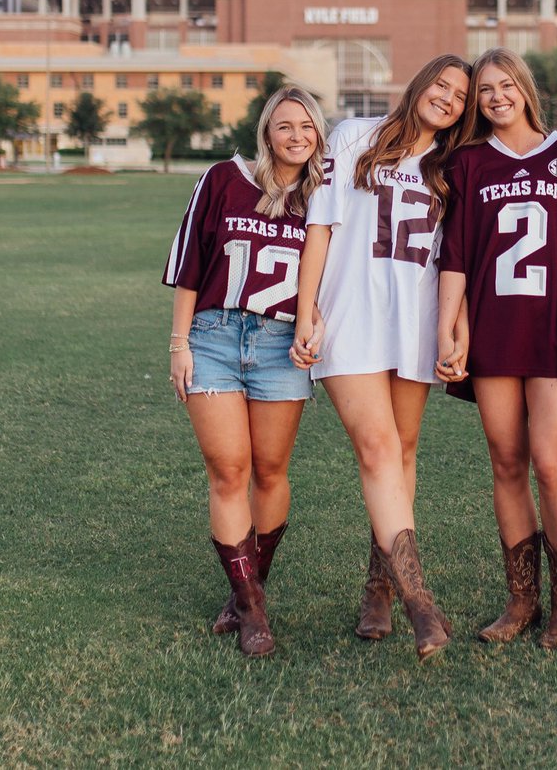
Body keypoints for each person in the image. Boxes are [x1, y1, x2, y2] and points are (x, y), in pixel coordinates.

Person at [291, 55, 472, 661]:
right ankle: (422, 602)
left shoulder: (451, 167)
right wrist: (306, 307)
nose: (447, 97)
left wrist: (455, 329)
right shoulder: (355, 136)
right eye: (440, 84)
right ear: (419, 84)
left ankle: (379, 588)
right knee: (377, 449)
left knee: (403, 451)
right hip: (350, 316)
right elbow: (322, 225)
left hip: (414, 320)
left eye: (459, 95)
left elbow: (455, 260)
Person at [435, 47, 557, 650]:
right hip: (494, 329)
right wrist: (452, 328)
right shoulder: (468, 162)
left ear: (525, 89)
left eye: (506, 86)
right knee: (506, 464)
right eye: (485, 91)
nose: (497, 97)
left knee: (551, 463)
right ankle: (521, 600)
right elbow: (455, 254)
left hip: (554, 325)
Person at [164, 85, 326, 658]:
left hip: (281, 343)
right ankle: (253, 609)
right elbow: (190, 264)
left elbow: (331, 275)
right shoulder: (224, 179)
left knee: (270, 470)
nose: (297, 136)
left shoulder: (324, 195)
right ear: (266, 132)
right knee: (228, 470)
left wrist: (317, 325)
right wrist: (179, 343)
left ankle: (247, 586)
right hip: (212, 335)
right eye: (285, 126)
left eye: (307, 126)